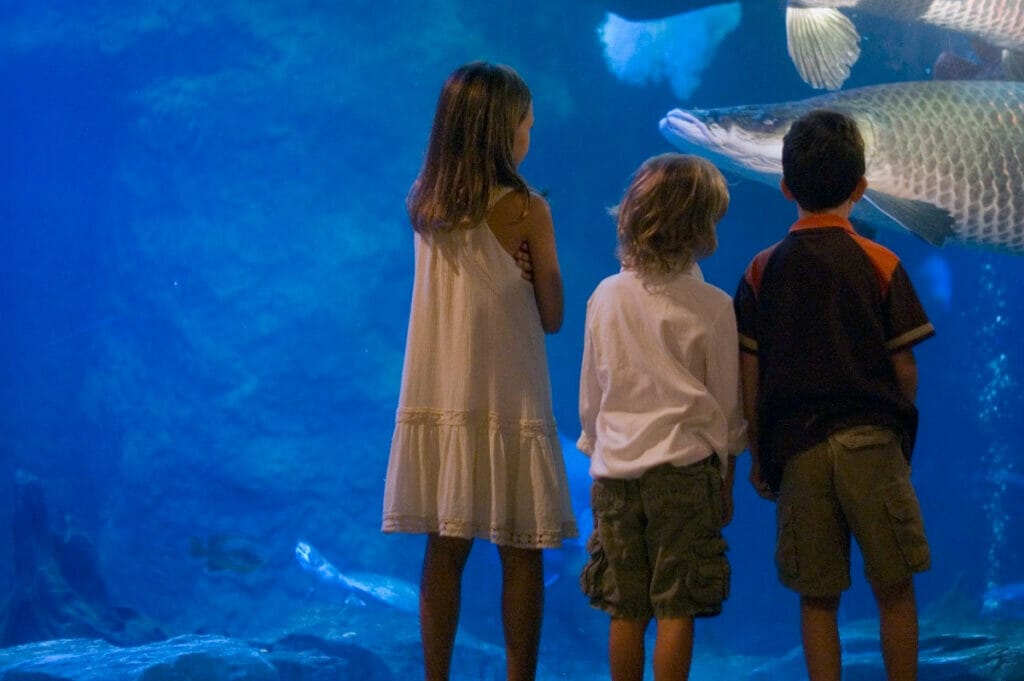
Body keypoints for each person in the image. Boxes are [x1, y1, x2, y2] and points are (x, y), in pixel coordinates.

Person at [381, 61, 577, 681]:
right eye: (526, 122)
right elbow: (553, 314)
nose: (531, 133)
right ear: (501, 131)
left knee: (444, 548)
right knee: (521, 550)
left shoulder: (424, 205)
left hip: (441, 394)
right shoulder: (526, 208)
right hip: (509, 394)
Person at [733, 110, 934, 681]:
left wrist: (758, 449)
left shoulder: (759, 270)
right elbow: (906, 365)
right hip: (872, 444)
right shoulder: (881, 262)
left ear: (785, 187)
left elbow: (751, 373)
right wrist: (899, 437)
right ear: (861, 188)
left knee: (816, 597)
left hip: (798, 451)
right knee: (894, 587)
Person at [576, 153, 747, 681]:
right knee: (677, 606)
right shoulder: (714, 305)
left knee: (625, 608)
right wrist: (726, 482)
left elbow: (591, 396)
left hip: (616, 475)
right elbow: (726, 410)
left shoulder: (605, 296)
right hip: (684, 474)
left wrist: (594, 455)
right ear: (701, 228)